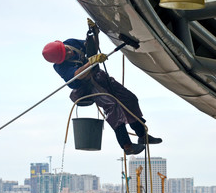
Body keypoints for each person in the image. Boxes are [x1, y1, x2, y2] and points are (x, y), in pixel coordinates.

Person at [42, 19, 162, 155]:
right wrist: (91, 63)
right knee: (112, 106)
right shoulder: (60, 67)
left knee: (130, 99)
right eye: (66, 55)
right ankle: (127, 146)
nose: (69, 53)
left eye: (67, 50)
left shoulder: (70, 43)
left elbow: (91, 48)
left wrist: (95, 34)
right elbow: (78, 75)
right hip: (88, 86)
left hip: (100, 76)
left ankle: (142, 135)